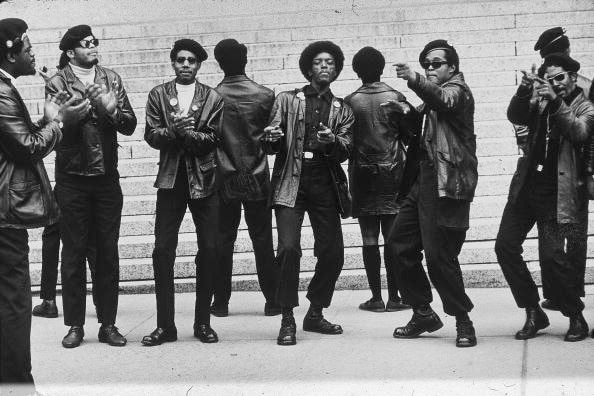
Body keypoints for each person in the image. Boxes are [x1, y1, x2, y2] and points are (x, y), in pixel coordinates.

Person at [0, 17, 87, 393]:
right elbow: (26, 147)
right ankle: (19, 385)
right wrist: (60, 123)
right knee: (15, 304)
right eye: (27, 44)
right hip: (4, 217)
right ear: (9, 49)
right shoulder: (1, 91)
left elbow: (16, 137)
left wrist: (47, 118)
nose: (33, 51)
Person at [46, 24, 137, 348]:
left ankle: (108, 323)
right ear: (71, 52)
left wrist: (110, 110)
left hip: (106, 180)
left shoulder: (111, 78)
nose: (94, 47)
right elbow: (53, 129)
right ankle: (74, 325)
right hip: (72, 180)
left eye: (95, 42)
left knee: (107, 254)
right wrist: (66, 118)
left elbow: (129, 124)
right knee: (72, 254)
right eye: (87, 44)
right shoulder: (57, 81)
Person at [386, 39, 478, 348]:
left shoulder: (458, 91)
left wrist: (413, 78)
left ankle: (463, 320)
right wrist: (403, 112)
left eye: (436, 63)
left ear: (452, 67)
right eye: (426, 64)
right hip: (423, 181)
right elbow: (423, 124)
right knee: (399, 245)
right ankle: (422, 312)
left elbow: (444, 101)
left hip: (446, 183)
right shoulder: (432, 100)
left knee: (440, 257)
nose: (429, 67)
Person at [496, 53, 594, 342]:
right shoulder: (539, 102)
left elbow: (579, 132)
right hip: (527, 186)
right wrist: (525, 88)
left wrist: (554, 100)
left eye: (560, 78)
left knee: (553, 257)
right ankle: (532, 311)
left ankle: (575, 315)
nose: (555, 84)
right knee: (505, 246)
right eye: (548, 80)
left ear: (574, 77)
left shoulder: (586, 106)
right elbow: (515, 115)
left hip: (557, 193)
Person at [263, 40, 353, 346]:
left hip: (325, 182)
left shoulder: (343, 108)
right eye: (318, 62)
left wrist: (332, 142)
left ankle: (315, 311)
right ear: (309, 68)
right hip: (291, 180)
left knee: (333, 252)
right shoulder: (287, 99)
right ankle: (287, 318)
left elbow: (346, 149)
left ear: (337, 69)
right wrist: (271, 138)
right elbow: (271, 141)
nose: (325, 66)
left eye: (330, 62)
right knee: (288, 249)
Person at [142, 39, 224, 346]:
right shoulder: (158, 94)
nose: (186, 64)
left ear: (200, 65)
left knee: (210, 250)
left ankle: (203, 322)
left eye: (191, 60)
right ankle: (165, 326)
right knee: (162, 250)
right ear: (173, 63)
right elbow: (151, 134)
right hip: (171, 179)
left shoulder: (213, 97)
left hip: (205, 180)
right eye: (180, 60)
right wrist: (171, 131)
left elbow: (214, 137)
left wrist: (185, 133)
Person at [211, 38, 280, 317]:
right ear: (246, 59)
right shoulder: (264, 94)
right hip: (257, 174)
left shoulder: (212, 96)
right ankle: (272, 299)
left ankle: (221, 302)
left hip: (224, 175)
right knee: (262, 239)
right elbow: (273, 138)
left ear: (218, 63)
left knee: (223, 239)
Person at [344, 46, 412, 313]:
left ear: (357, 71)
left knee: (369, 236)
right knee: (393, 236)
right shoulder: (395, 96)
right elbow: (408, 135)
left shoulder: (350, 100)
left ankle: (375, 297)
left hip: (362, 173)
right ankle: (395, 297)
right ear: (382, 67)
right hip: (393, 172)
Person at [532, 27, 592, 311]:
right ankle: (555, 292)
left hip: (577, 168)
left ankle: (572, 293)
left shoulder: (586, 87)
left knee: (575, 238)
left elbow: (585, 131)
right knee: (551, 241)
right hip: (551, 169)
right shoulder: (543, 85)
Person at [32, 212, 98, 318]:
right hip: (81, 200)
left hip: (58, 199)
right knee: (89, 236)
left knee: (52, 233)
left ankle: (49, 301)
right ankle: (101, 302)